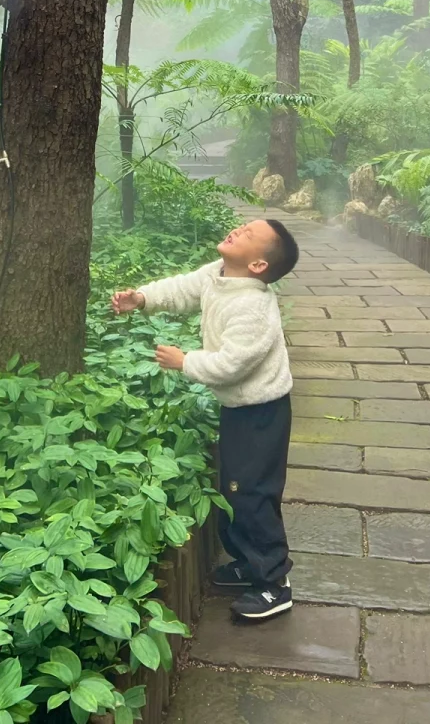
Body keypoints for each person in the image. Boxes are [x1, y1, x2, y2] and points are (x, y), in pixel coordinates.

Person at [111, 216, 299, 623]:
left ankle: (273, 582)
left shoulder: (252, 305)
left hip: (262, 413)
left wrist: (185, 361)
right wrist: (142, 298)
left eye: (248, 235)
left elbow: (233, 365)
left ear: (258, 266)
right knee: (233, 489)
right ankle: (249, 563)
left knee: (253, 494)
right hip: (239, 409)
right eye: (243, 226)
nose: (237, 231)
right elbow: (182, 288)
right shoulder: (217, 275)